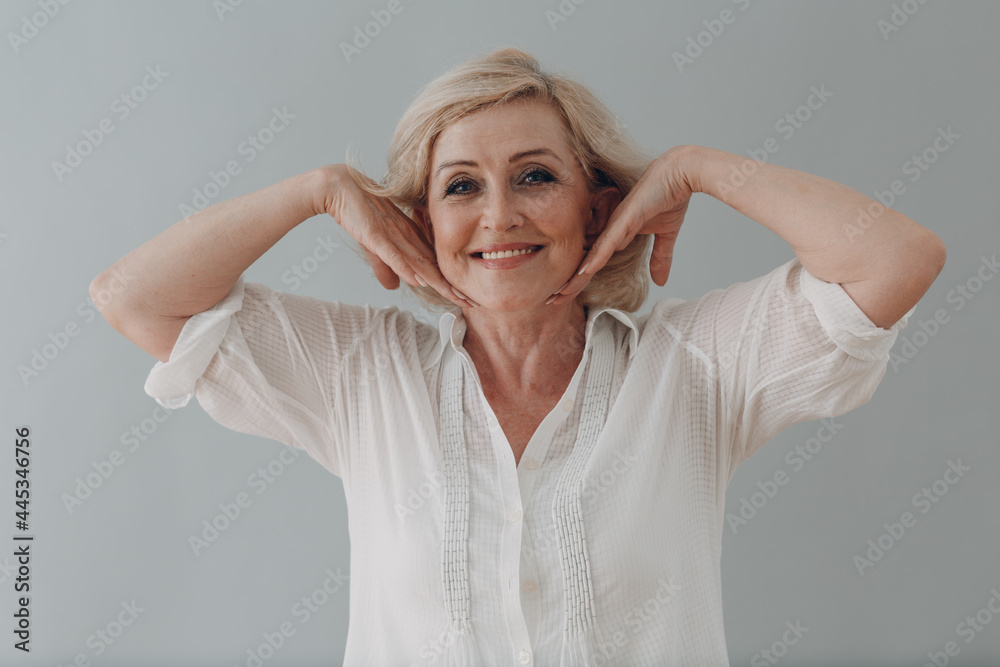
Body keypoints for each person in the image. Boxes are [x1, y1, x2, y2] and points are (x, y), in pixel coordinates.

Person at [91, 47, 945, 665]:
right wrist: (320, 190)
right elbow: (132, 295)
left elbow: (897, 257)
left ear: (597, 209)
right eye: (461, 185)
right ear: (419, 225)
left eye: (535, 176)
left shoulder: (694, 365)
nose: (498, 215)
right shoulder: (365, 373)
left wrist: (695, 169)